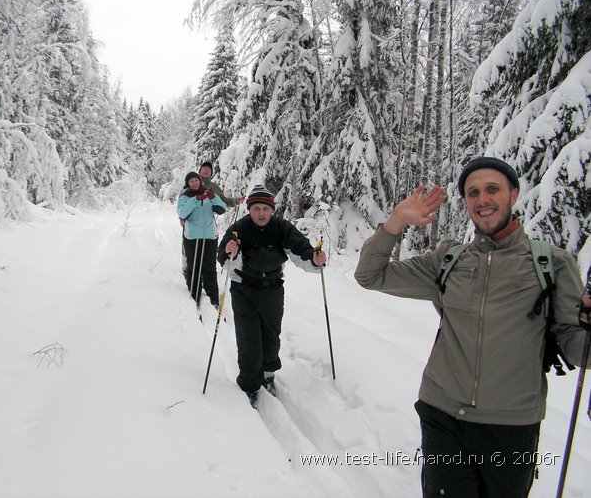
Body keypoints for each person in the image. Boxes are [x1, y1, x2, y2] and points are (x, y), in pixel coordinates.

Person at [354, 157, 590, 498]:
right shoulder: (448, 260)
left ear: (514, 193)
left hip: (512, 425)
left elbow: (575, 346)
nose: (482, 200)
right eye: (473, 192)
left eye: (492, 189)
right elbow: (370, 276)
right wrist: (395, 223)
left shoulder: (551, 264)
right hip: (443, 415)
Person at [218, 185, 327, 407]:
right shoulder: (239, 229)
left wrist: (314, 259)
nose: (261, 213)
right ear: (249, 210)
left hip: (272, 288)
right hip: (243, 288)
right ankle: (249, 385)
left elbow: (301, 250)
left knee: (271, 333)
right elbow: (225, 260)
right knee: (248, 337)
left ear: (272, 209)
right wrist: (232, 252)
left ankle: (268, 373)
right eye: (256, 208)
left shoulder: (281, 228)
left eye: (265, 208)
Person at [178, 171, 228, 308]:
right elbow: (182, 213)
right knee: (194, 267)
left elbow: (222, 209)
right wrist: (195, 200)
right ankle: (195, 295)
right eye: (191, 181)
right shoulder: (185, 197)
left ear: (200, 181)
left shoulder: (208, 194)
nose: (194, 183)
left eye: (196, 180)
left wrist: (213, 198)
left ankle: (213, 298)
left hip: (209, 236)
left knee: (210, 267)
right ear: (188, 183)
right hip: (192, 237)